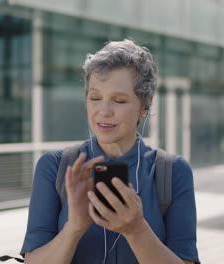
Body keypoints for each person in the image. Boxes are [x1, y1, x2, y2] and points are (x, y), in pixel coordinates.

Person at [20, 39, 200, 264]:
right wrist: (73, 228)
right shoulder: (55, 166)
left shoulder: (173, 171)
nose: (103, 111)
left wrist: (136, 230)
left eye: (119, 100)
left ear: (145, 105)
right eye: (95, 98)